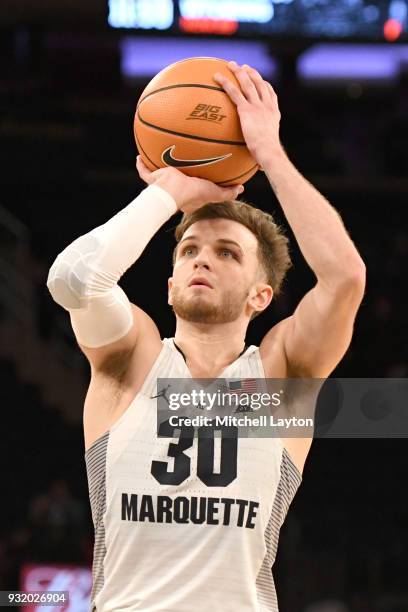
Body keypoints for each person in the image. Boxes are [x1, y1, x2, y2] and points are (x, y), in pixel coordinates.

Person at [46, 61, 366, 612]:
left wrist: (268, 152)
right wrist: (169, 191)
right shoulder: (132, 362)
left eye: (226, 252)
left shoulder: (279, 381)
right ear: (169, 286)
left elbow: (345, 279)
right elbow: (74, 280)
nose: (202, 260)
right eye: (189, 249)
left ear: (260, 295)